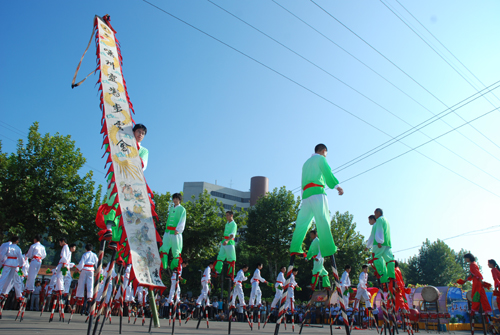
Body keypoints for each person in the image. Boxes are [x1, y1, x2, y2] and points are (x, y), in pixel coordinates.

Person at [290, 144, 344, 258]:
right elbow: (327, 173)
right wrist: (336, 186)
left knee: (302, 223)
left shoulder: (306, 163)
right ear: (324, 151)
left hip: (306, 195)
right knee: (323, 220)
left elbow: (302, 182)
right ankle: (328, 248)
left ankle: (295, 247)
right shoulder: (321, 159)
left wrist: (303, 197)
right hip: (318, 192)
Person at [365, 210, 395, 283]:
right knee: (389, 260)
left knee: (375, 258)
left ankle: (382, 275)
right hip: (387, 243)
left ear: (378, 213)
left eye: (375, 213)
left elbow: (376, 233)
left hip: (379, 243)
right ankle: (392, 275)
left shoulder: (378, 221)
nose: (375, 215)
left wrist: (378, 241)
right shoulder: (386, 220)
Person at [159, 193, 186, 270]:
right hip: (168, 231)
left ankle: (175, 268)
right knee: (164, 247)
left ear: (179, 199)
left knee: (176, 250)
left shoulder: (182, 209)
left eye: (176, 198)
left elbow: (182, 220)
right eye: (174, 198)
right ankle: (162, 265)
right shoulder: (171, 208)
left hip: (175, 232)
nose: (175, 200)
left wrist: (178, 230)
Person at [0, 236, 24, 301]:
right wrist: (21, 265)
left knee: (4, 277)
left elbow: (2, 254)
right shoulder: (18, 248)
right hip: (15, 263)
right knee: (10, 278)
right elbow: (20, 257)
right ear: (17, 241)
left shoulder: (8, 247)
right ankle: (4, 291)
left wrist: (2, 261)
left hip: (8, 262)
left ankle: (2, 291)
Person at [214, 211, 237, 277]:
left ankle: (231, 273)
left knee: (231, 258)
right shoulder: (227, 224)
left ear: (231, 215)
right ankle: (217, 270)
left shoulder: (234, 224)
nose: (226, 217)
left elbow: (232, 235)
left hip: (229, 242)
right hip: (224, 241)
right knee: (220, 255)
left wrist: (227, 240)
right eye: (226, 215)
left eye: (227, 215)